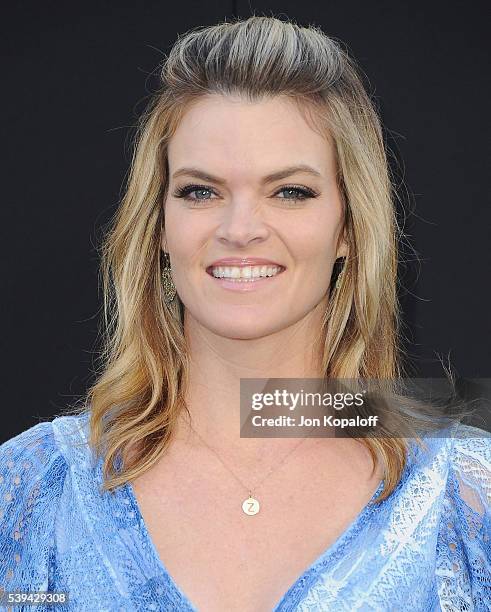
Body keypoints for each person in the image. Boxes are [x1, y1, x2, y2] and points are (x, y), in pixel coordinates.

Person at [1, 15, 490, 612]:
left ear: (348, 227)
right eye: (200, 191)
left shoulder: (466, 498)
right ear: (158, 224)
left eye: (290, 191)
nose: (240, 230)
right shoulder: (29, 494)